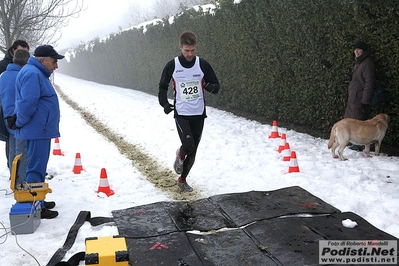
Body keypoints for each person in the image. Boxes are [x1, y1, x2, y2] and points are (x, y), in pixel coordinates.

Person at [6, 45, 64, 219]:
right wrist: (20, 122)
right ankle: (35, 204)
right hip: (37, 129)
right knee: (35, 167)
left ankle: (39, 200)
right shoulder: (33, 73)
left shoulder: (34, 72)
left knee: (38, 166)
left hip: (39, 129)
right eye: (54, 62)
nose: (56, 66)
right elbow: (27, 103)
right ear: (42, 60)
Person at [158, 30, 220, 192]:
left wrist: (208, 86)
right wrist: (164, 104)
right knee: (188, 144)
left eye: (192, 50)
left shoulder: (203, 64)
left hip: (199, 113)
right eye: (186, 50)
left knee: (193, 150)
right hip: (182, 113)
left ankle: (182, 180)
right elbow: (162, 86)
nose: (190, 54)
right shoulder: (172, 65)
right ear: (180, 47)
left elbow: (216, 86)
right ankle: (180, 154)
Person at [0, 50, 30, 187]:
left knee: (12, 151)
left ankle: (13, 179)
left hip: (7, 120)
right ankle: (21, 183)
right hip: (20, 120)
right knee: (22, 153)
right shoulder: (24, 75)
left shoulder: (3, 76)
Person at [344, 41, 375, 151]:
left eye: (359, 49)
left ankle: (359, 144)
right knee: (352, 120)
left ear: (363, 51)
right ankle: (354, 142)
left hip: (359, 98)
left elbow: (369, 82)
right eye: (355, 49)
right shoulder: (359, 62)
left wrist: (365, 100)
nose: (356, 51)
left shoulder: (367, 63)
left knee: (358, 121)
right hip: (354, 98)